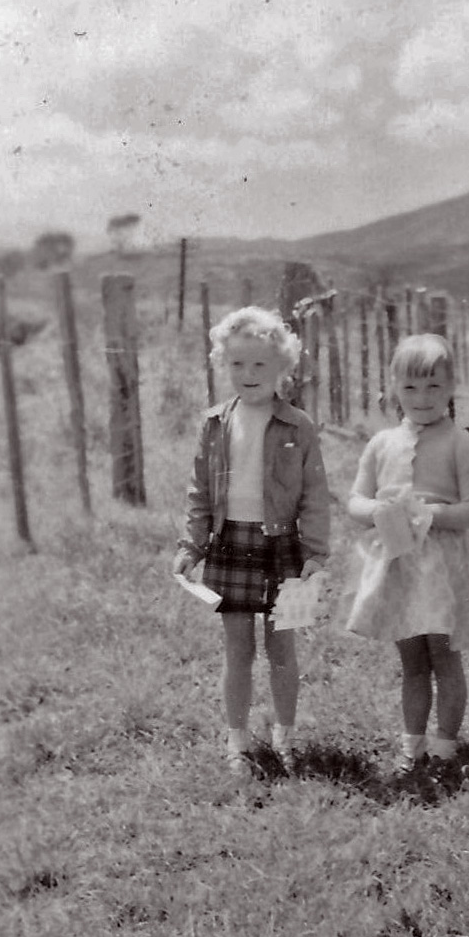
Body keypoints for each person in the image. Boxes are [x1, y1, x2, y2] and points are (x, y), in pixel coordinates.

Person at [172, 306, 331, 776]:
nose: (248, 374)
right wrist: (190, 546)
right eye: (237, 364)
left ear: (282, 366)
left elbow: (315, 494)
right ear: (224, 364)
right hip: (229, 547)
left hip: (288, 551)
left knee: (283, 649)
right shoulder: (215, 423)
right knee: (237, 650)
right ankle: (237, 742)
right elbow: (199, 493)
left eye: (260, 364)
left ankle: (286, 739)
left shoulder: (299, 426)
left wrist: (316, 553)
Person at [346, 334, 469, 773]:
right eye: (410, 388)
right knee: (411, 659)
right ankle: (412, 745)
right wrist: (378, 510)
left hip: (441, 566)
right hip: (399, 562)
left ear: (450, 388)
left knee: (443, 655)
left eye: (433, 387)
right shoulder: (381, 444)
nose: (422, 398)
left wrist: (433, 514)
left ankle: (445, 746)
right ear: (393, 388)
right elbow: (354, 501)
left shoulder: (462, 444)